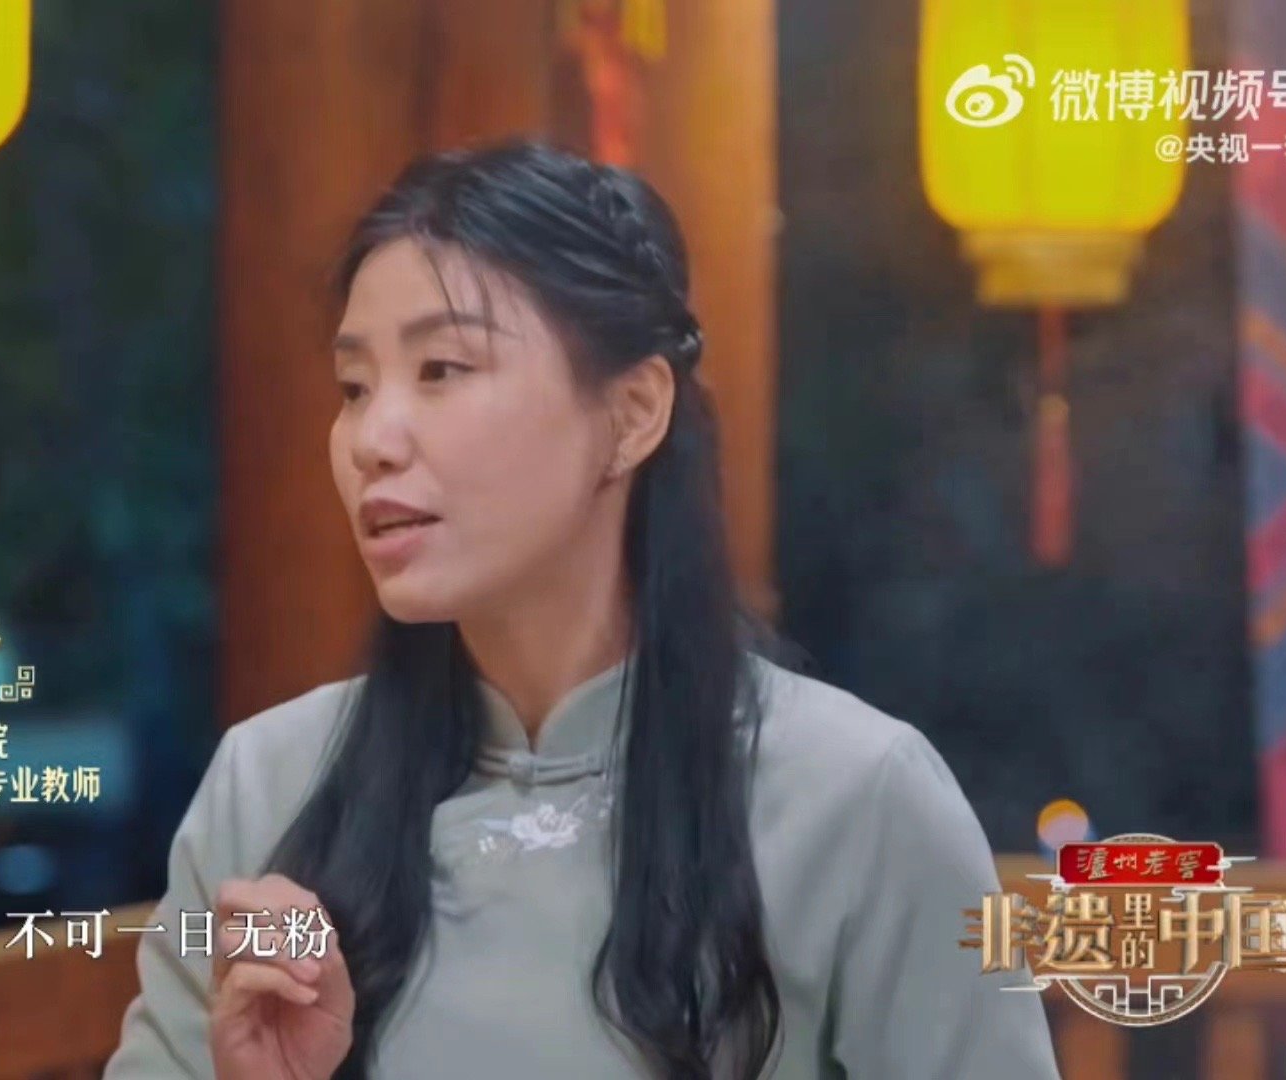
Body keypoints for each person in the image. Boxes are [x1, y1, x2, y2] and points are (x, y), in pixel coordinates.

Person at [104, 140, 1060, 1079]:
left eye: (442, 369)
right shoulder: (268, 785)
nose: (371, 439)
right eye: (354, 388)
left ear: (633, 413)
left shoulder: (857, 798)